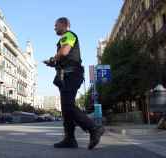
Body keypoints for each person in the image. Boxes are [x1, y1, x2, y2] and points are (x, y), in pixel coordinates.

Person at [43, 17, 105, 150]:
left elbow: (64, 51)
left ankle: (94, 128)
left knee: (68, 106)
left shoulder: (68, 35)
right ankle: (69, 139)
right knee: (66, 109)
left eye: (56, 25)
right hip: (66, 75)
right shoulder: (64, 38)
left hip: (71, 74)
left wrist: (53, 58)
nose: (54, 28)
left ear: (64, 25)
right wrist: (53, 62)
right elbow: (64, 55)